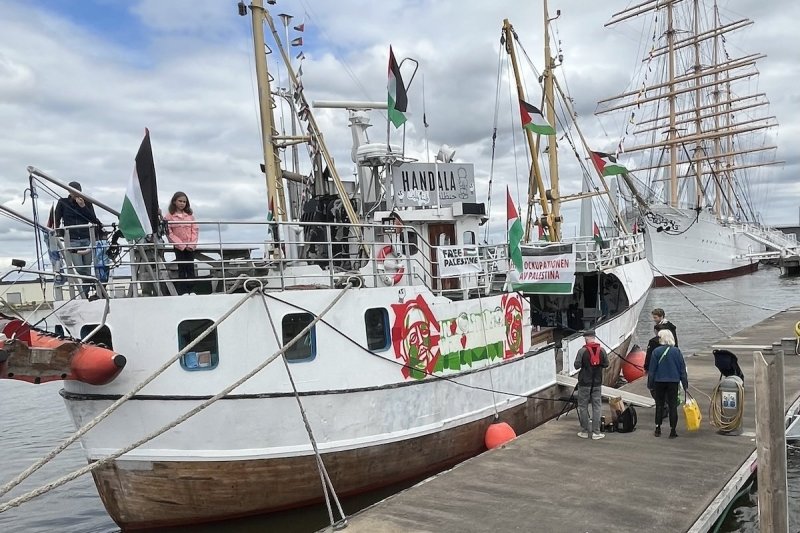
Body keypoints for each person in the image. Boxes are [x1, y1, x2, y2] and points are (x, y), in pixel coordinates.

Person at [53, 181, 103, 297]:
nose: (75, 193)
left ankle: (84, 296)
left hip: (87, 238)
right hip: (72, 239)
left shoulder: (87, 202)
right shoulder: (63, 202)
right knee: (79, 268)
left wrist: (83, 206)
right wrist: (58, 231)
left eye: (77, 191)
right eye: (73, 191)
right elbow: (57, 218)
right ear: (69, 191)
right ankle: (94, 281)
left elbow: (93, 219)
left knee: (87, 267)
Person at [647, 329, 688, 439]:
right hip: (673, 381)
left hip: (659, 381)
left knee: (659, 405)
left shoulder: (656, 351)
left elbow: (652, 370)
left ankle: (658, 428)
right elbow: (682, 369)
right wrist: (685, 384)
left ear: (663, 338)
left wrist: (650, 384)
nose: (658, 339)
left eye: (660, 337)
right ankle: (672, 430)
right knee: (673, 406)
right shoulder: (677, 351)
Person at [573, 329, 609, 440]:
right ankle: (596, 433)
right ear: (594, 337)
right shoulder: (602, 350)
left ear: (586, 338)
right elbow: (606, 364)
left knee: (583, 406)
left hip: (584, 382)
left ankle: (584, 431)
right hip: (597, 382)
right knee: (597, 406)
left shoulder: (582, 351)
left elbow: (576, 366)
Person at [164, 191, 198, 294]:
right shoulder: (169, 216)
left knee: (190, 268)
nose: (182, 203)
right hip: (179, 247)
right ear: (174, 201)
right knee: (182, 268)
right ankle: (183, 291)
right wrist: (182, 245)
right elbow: (169, 233)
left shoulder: (190, 216)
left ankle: (192, 290)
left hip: (190, 246)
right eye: (180, 201)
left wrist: (191, 245)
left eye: (184, 201)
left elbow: (195, 230)